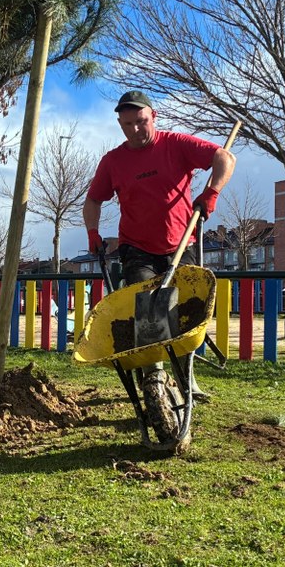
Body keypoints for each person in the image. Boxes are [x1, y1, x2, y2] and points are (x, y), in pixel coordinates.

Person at [83, 90, 235, 398]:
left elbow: (224, 158)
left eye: (141, 121)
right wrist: (92, 231)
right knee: (150, 312)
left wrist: (212, 193)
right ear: (120, 124)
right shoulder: (113, 161)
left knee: (185, 314)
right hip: (137, 248)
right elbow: (93, 199)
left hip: (181, 244)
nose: (135, 130)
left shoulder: (175, 145)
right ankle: (155, 378)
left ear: (153, 116)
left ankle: (186, 379)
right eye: (127, 124)